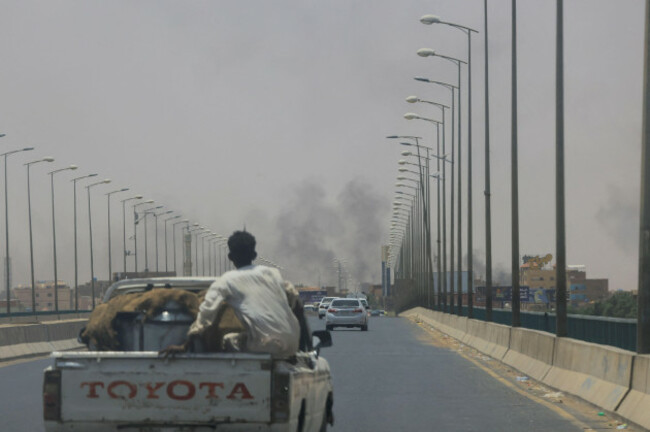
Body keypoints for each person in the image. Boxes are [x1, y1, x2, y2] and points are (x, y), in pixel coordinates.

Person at [160, 230, 301, 358]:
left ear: (230, 256)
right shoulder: (273, 273)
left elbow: (206, 314)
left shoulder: (226, 281)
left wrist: (185, 345)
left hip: (264, 346)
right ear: (254, 255)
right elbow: (294, 297)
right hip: (293, 344)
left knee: (228, 340)